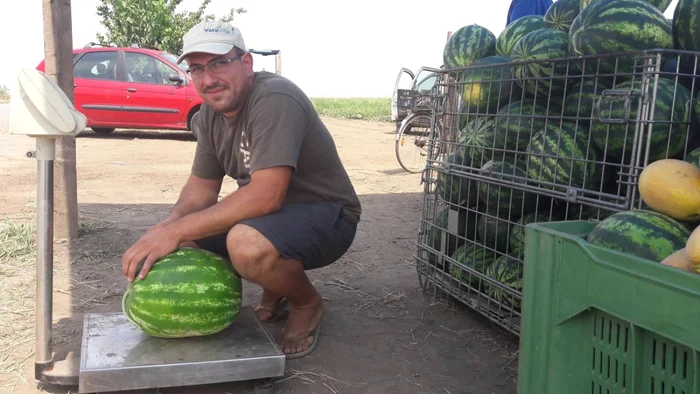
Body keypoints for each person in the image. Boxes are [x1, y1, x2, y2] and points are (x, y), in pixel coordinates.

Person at [121, 21, 362, 359]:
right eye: (197, 69)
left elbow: (266, 195)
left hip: (328, 215)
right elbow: (199, 193)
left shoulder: (275, 97)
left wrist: (174, 231)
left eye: (219, 62)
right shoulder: (208, 116)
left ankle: (307, 303)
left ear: (246, 63)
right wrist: (162, 232)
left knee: (246, 245)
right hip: (274, 218)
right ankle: (273, 286)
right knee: (185, 239)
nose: (209, 79)